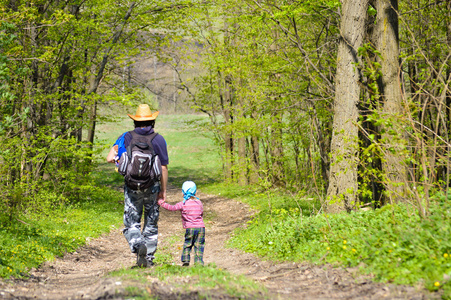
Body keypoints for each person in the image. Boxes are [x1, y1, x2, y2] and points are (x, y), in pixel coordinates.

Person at [106, 104, 169, 268]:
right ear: (152, 121)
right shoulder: (158, 139)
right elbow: (163, 167)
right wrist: (163, 190)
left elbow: (109, 158)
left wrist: (120, 160)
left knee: (131, 222)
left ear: (135, 121)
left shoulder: (126, 137)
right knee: (151, 222)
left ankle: (137, 244)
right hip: (152, 187)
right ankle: (148, 258)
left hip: (132, 186)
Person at [158, 181, 205, 266]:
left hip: (190, 228)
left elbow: (172, 208)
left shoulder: (183, 204)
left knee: (188, 244)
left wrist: (161, 203)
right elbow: (201, 213)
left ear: (183, 193)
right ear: (195, 192)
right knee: (199, 245)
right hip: (201, 228)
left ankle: (186, 260)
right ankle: (199, 262)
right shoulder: (199, 202)